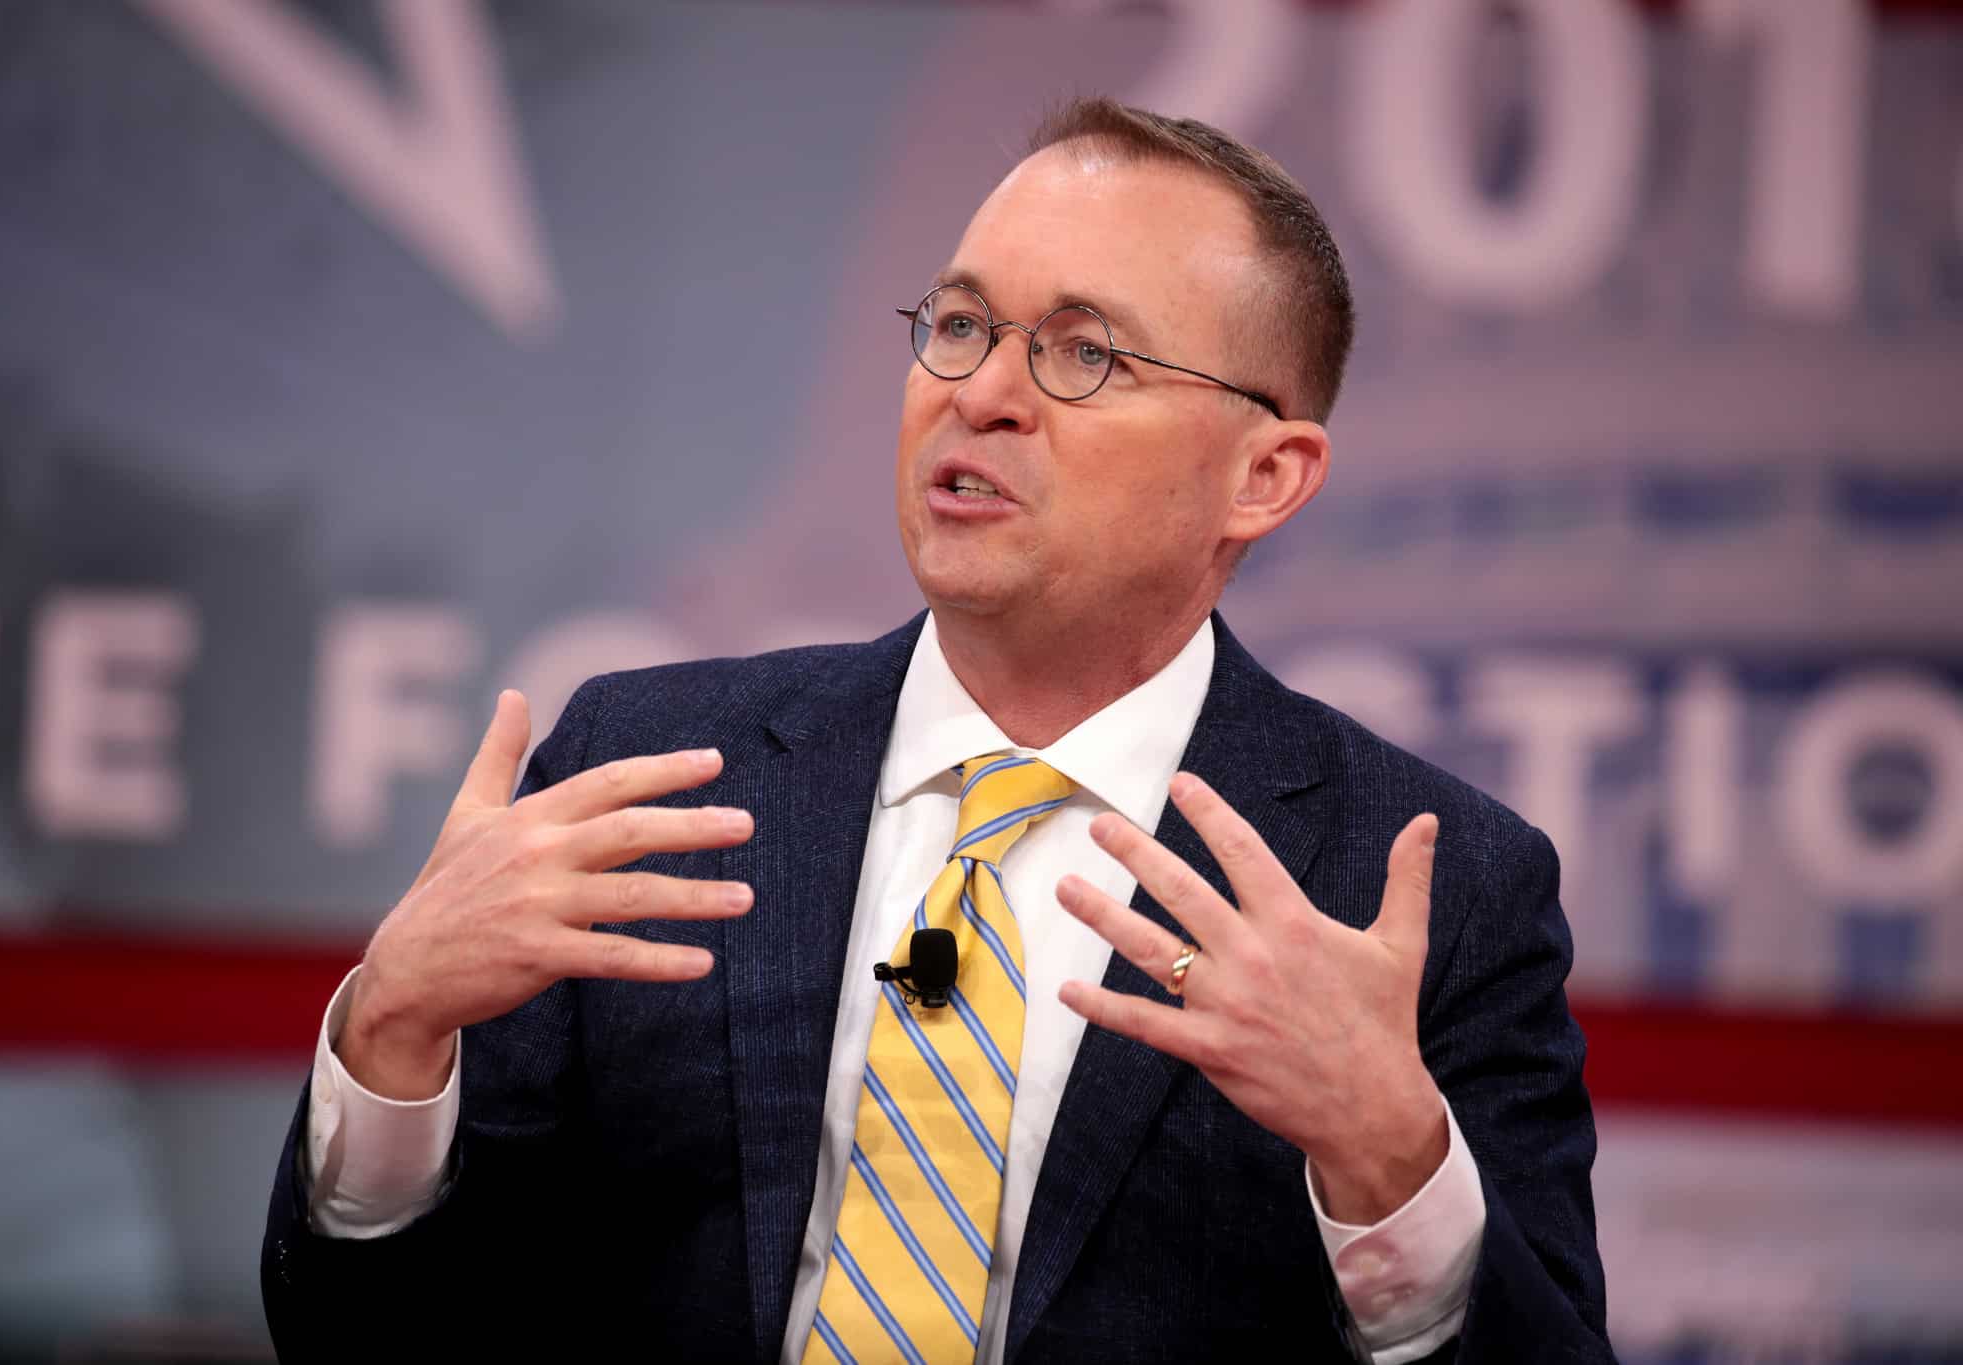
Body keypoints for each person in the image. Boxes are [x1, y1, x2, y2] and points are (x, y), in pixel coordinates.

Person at [261, 98, 1611, 1363]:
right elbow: (369, 1333)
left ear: (1264, 475)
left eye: (1082, 353)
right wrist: (389, 1039)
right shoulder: (652, 775)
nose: (982, 393)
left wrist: (1391, 1161)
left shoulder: (1423, 892)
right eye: (960, 326)